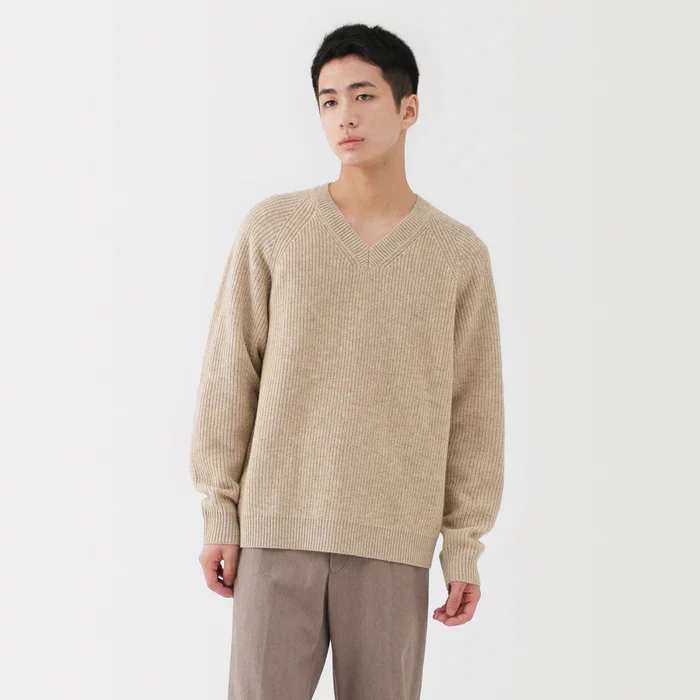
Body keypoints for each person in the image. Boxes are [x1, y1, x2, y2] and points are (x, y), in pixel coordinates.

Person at [189, 22, 505, 700]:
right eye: (329, 101)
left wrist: (463, 544)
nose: (345, 116)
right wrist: (220, 510)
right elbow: (229, 376)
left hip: (394, 539)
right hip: (275, 531)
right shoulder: (274, 228)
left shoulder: (457, 255)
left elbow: (475, 410)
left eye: (363, 96)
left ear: (408, 109)